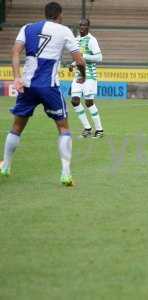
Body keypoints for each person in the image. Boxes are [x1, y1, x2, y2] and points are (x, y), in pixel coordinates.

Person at [0, 1, 85, 186]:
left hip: (28, 86)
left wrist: (16, 77)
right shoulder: (64, 31)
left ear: (45, 13)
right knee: (63, 128)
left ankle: (6, 165)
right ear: (59, 15)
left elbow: (15, 52)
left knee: (16, 127)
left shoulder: (27, 27)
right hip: (49, 87)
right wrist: (83, 76)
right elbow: (79, 59)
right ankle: (66, 173)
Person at [69, 18, 104, 138]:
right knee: (74, 101)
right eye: (80, 25)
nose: (82, 27)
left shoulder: (92, 40)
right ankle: (87, 129)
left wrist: (83, 56)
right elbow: (77, 58)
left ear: (88, 27)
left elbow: (99, 58)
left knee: (89, 103)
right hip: (78, 75)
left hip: (89, 76)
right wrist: (73, 64)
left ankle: (99, 130)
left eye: (84, 25)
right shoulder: (76, 39)